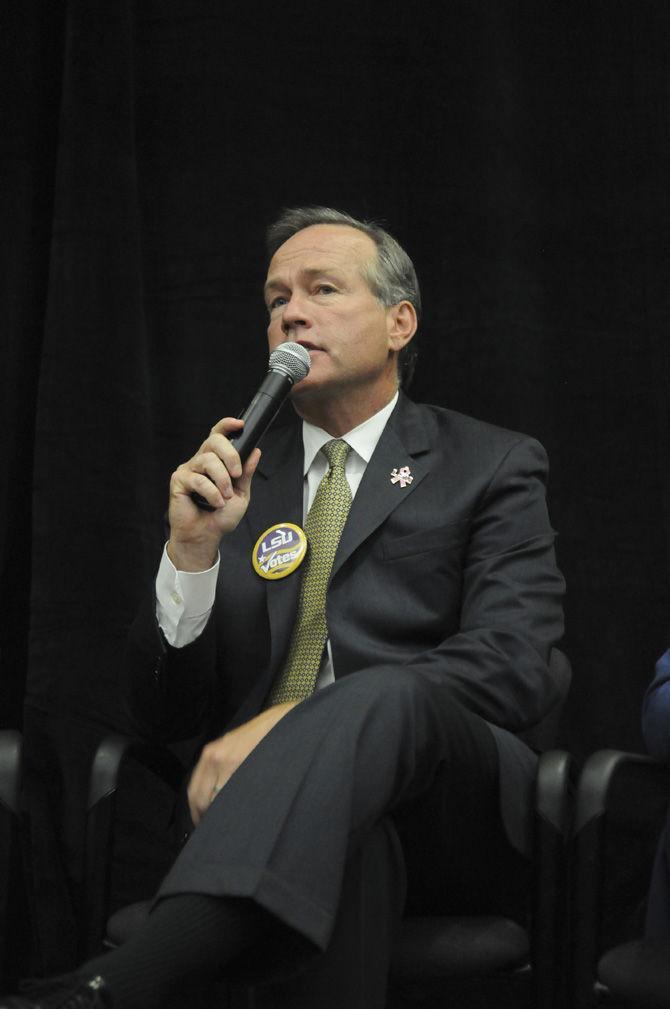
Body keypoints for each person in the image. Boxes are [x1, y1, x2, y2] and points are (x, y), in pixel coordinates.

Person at [3, 207, 566, 1009]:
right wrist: (190, 555)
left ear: (400, 322)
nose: (290, 313)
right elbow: (159, 715)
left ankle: (115, 986)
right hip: (270, 824)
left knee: (387, 689)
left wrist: (295, 725)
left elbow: (514, 662)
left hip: (449, 812)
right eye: (275, 300)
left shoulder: (488, 463)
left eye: (322, 289)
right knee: (349, 844)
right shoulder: (238, 483)